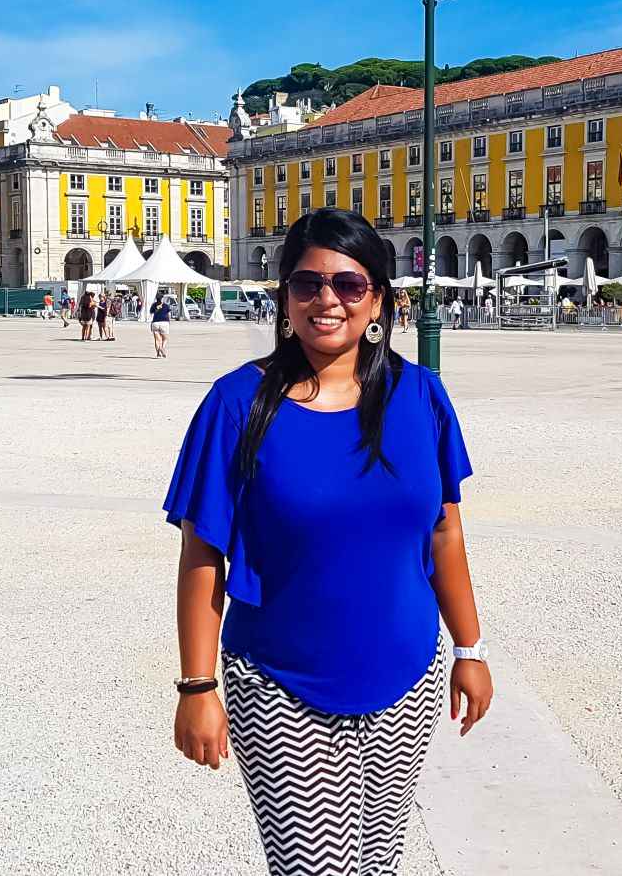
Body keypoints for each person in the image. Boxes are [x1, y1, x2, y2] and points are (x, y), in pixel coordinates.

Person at [165, 208, 491, 875]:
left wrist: (470, 648)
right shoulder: (237, 404)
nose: (327, 300)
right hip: (281, 684)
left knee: (377, 866)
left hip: (406, 677)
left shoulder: (420, 396)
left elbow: (445, 530)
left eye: (349, 284)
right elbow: (204, 555)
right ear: (283, 296)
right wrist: (197, 687)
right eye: (307, 283)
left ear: (378, 299)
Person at [150, 293, 173, 358]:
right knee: (164, 339)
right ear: (162, 298)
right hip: (164, 322)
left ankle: (158, 353)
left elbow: (151, 312)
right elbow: (169, 314)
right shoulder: (166, 305)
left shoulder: (154, 305)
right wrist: (169, 321)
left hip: (155, 323)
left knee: (157, 340)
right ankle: (162, 348)